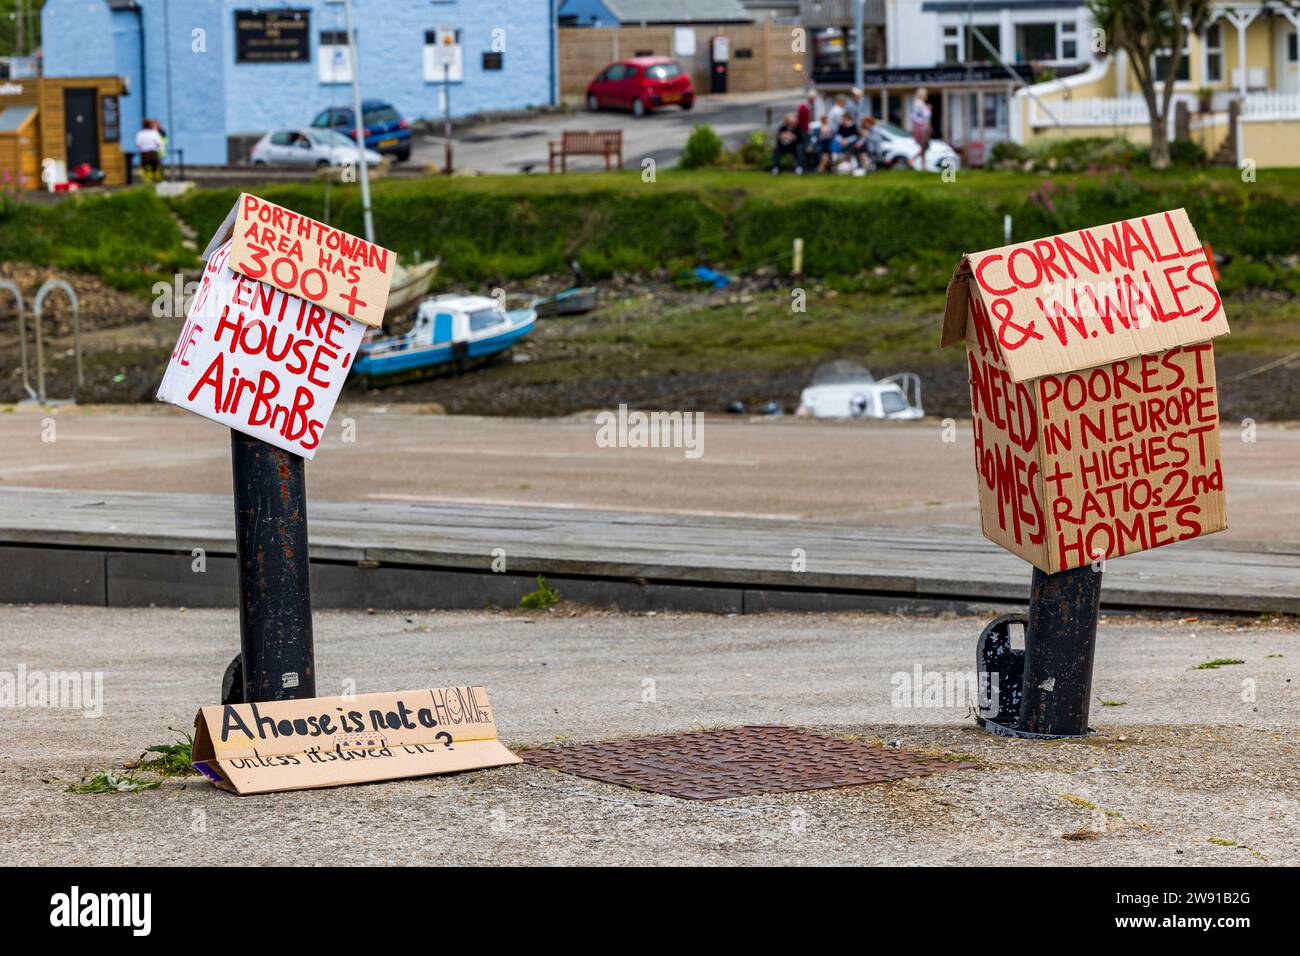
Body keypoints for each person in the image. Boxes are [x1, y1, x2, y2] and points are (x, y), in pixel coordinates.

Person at [909, 87, 933, 171]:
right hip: (922, 127)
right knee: (924, 146)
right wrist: (929, 109)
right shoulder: (919, 104)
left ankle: (923, 165)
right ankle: (913, 159)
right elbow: (925, 115)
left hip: (920, 126)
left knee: (924, 146)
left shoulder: (917, 103)